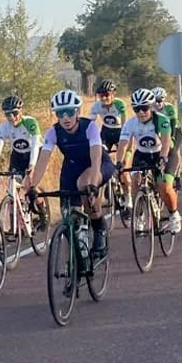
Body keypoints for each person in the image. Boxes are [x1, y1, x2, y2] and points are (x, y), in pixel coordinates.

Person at [25, 89, 114, 256]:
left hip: (99, 164)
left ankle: (99, 228)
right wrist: (32, 187)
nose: (65, 118)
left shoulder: (90, 127)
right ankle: (79, 256)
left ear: (78, 112)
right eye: (60, 113)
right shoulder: (53, 132)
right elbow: (43, 161)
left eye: (70, 112)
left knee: (84, 185)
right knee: (69, 213)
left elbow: (95, 159)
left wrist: (93, 185)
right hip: (72, 167)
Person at [120, 88, 181, 234]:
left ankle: (174, 214)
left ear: (151, 106)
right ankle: (139, 215)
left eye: (144, 108)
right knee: (135, 181)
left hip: (165, 154)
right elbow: (123, 143)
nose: (141, 112)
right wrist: (119, 162)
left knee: (164, 186)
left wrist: (163, 158)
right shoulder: (131, 123)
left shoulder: (162, 119)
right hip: (142, 154)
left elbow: (166, 141)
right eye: (136, 109)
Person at [0, 95, 41, 180]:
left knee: (30, 183)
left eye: (15, 113)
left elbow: (35, 146)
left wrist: (32, 165)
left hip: (34, 153)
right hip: (18, 154)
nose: (12, 117)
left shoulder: (30, 122)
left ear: (21, 111)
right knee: (13, 182)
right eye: (8, 114)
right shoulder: (3, 127)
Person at [90, 79, 127, 157]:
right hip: (106, 132)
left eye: (106, 95)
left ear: (113, 94)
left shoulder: (120, 104)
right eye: (101, 96)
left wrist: (123, 137)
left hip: (119, 131)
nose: (103, 98)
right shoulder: (96, 106)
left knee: (123, 153)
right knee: (101, 154)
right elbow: (90, 123)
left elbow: (124, 122)